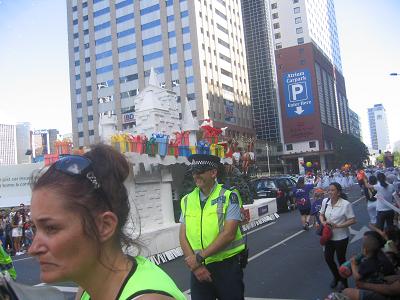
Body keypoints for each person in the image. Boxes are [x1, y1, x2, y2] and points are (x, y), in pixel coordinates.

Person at [28, 144, 185, 300]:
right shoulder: (88, 287)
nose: (33, 249)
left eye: (51, 228)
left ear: (104, 226)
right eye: (35, 228)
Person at [179, 154, 246, 300]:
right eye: (193, 172)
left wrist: (199, 258)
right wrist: (196, 265)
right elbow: (182, 236)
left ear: (213, 173)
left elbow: (229, 234)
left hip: (226, 267)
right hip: (198, 268)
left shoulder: (229, 195)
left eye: (200, 171)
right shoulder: (187, 200)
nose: (196, 175)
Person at [319, 182, 357, 291]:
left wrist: (339, 226)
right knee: (328, 258)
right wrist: (323, 222)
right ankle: (336, 277)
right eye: (329, 190)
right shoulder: (325, 202)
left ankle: (344, 283)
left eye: (333, 190)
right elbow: (321, 214)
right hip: (328, 237)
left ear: (338, 192)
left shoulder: (345, 204)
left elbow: (353, 220)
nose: (330, 192)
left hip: (341, 237)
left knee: (341, 260)